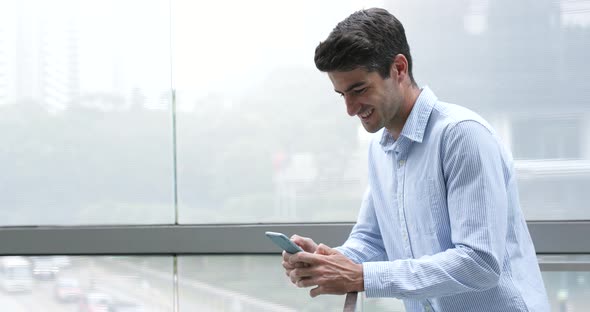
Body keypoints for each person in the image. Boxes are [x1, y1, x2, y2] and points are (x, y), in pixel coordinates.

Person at [281, 7, 550, 312]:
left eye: (359, 89)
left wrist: (363, 276)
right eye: (341, 94)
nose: (351, 108)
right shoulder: (379, 149)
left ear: (398, 68)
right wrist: (325, 260)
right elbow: (372, 240)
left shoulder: (462, 136)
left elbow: (480, 262)